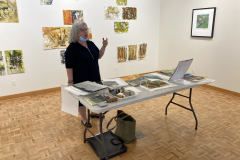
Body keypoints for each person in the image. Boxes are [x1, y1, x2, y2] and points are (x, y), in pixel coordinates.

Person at [65, 21, 108, 127]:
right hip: (81, 78)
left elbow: (98, 56)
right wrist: (70, 81)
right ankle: (84, 119)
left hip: (95, 76)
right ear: (76, 32)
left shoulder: (90, 44)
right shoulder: (72, 48)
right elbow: (69, 66)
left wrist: (104, 46)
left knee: (95, 95)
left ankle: (93, 112)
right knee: (82, 100)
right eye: (82, 29)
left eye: (86, 29)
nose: (85, 31)